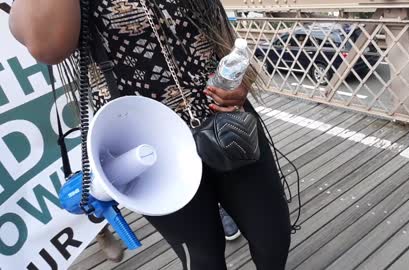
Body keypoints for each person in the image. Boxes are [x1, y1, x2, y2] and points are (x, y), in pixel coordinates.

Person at [9, 0, 291, 269]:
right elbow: (46, 45)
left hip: (225, 120)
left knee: (273, 236)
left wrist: (242, 78)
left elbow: (218, 31)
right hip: (147, 149)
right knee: (202, 257)